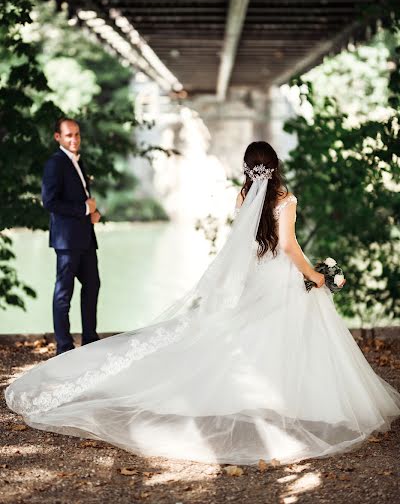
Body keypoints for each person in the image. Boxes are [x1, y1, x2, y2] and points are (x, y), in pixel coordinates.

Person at [5, 141, 400, 466]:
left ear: (248, 170)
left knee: (251, 334)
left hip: (257, 277)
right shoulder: (286, 198)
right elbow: (288, 245)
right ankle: (287, 401)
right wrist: (314, 275)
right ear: (275, 167)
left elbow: (247, 245)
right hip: (278, 276)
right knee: (289, 335)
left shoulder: (243, 195)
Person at [42, 117, 101, 355]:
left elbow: (82, 197)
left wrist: (94, 212)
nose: (74, 139)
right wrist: (86, 210)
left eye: (77, 134)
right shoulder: (55, 163)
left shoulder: (77, 160)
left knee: (93, 285)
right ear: (58, 137)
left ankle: (89, 339)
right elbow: (50, 202)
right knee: (64, 293)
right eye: (69, 135)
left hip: (85, 237)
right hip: (67, 241)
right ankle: (64, 347)